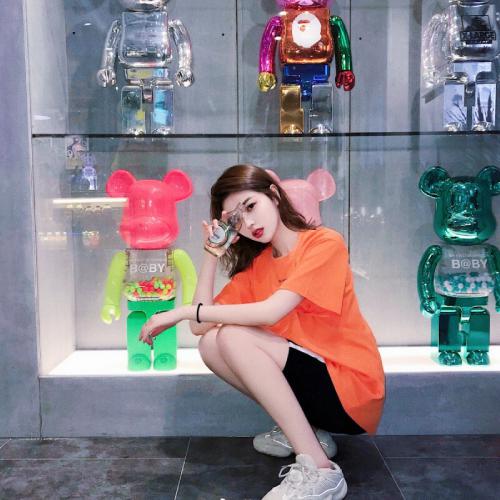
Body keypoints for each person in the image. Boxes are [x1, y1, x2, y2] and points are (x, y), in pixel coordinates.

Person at [139, 164, 385, 499]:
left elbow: (270, 311)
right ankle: (307, 434)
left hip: (351, 389)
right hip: (319, 389)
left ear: (274, 195)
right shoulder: (260, 265)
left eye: (251, 206)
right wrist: (211, 255)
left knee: (233, 336)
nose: (250, 223)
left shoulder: (324, 243)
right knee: (211, 343)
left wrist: (181, 311)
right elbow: (200, 327)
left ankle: (321, 471)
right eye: (236, 219)